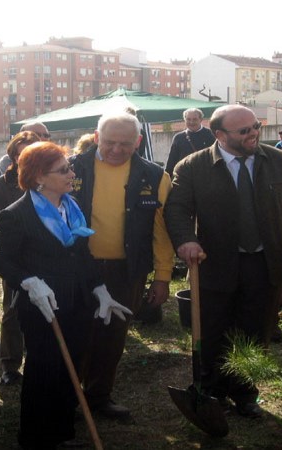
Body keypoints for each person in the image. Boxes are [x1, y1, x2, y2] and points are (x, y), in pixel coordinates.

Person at [164, 104, 282, 418]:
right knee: (213, 330)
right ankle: (210, 392)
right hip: (215, 262)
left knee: (256, 329)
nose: (253, 134)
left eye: (255, 126)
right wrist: (186, 240)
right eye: (244, 131)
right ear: (220, 135)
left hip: (265, 263)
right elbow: (176, 209)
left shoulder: (280, 162)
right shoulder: (192, 167)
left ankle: (244, 393)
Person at [0, 141, 131, 448]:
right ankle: (35, 437)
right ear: (40, 176)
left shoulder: (72, 206)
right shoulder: (16, 214)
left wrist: (99, 289)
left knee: (73, 364)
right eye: (64, 170)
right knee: (45, 367)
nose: (72, 174)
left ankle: (63, 430)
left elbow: (82, 254)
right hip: (43, 305)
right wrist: (28, 281)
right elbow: (3, 260)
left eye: (70, 167)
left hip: (79, 301)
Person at [70, 112, 174, 419]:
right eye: (109, 142)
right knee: (75, 332)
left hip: (126, 270)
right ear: (96, 136)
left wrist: (163, 277)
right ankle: (67, 396)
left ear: (138, 142)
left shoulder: (155, 176)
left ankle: (99, 396)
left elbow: (162, 231)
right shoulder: (70, 167)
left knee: (113, 335)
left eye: (125, 144)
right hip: (76, 269)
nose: (116, 149)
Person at [0, 131, 41, 386]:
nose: (23, 158)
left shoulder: (49, 177)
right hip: (16, 256)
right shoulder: (2, 183)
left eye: (29, 152)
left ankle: (41, 357)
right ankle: (9, 364)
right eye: (19, 154)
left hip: (46, 253)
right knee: (12, 309)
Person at [165, 108, 215, 177]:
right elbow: (172, 161)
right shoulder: (178, 138)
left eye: (194, 119)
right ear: (184, 120)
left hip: (205, 177)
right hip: (184, 177)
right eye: (188, 119)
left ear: (201, 120)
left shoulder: (211, 135)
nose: (191, 122)